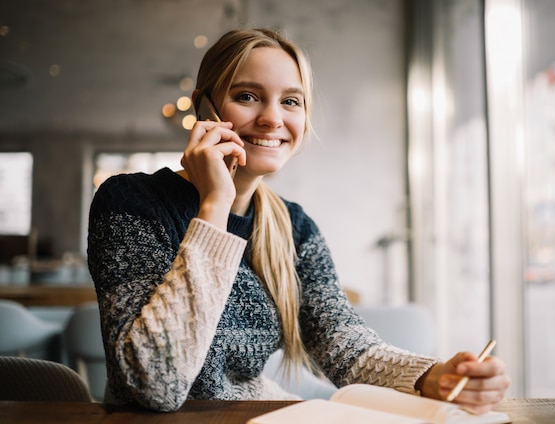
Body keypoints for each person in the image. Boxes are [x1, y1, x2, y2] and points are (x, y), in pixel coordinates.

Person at [87, 27, 510, 413]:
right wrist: (216, 204)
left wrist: (436, 376)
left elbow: (343, 344)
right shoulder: (130, 202)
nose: (273, 118)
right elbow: (153, 384)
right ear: (204, 107)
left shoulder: (293, 225)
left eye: (291, 101)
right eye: (248, 96)